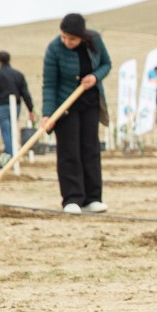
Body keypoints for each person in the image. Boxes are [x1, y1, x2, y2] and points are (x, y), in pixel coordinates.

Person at [41, 13, 111, 214]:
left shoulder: (95, 41)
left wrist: (95, 77)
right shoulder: (54, 49)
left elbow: (107, 64)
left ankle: (93, 199)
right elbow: (49, 84)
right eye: (63, 37)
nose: (66, 42)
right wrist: (48, 114)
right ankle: (72, 199)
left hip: (90, 103)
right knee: (69, 151)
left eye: (71, 38)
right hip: (65, 106)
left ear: (82, 36)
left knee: (90, 149)